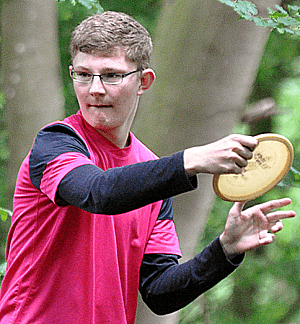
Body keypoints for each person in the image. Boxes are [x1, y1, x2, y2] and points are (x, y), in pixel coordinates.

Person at [0, 11, 295, 324]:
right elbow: (98, 193)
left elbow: (160, 293)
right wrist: (191, 160)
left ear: (143, 81)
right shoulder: (55, 143)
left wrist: (225, 250)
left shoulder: (151, 173)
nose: (95, 89)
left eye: (111, 75)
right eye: (84, 75)